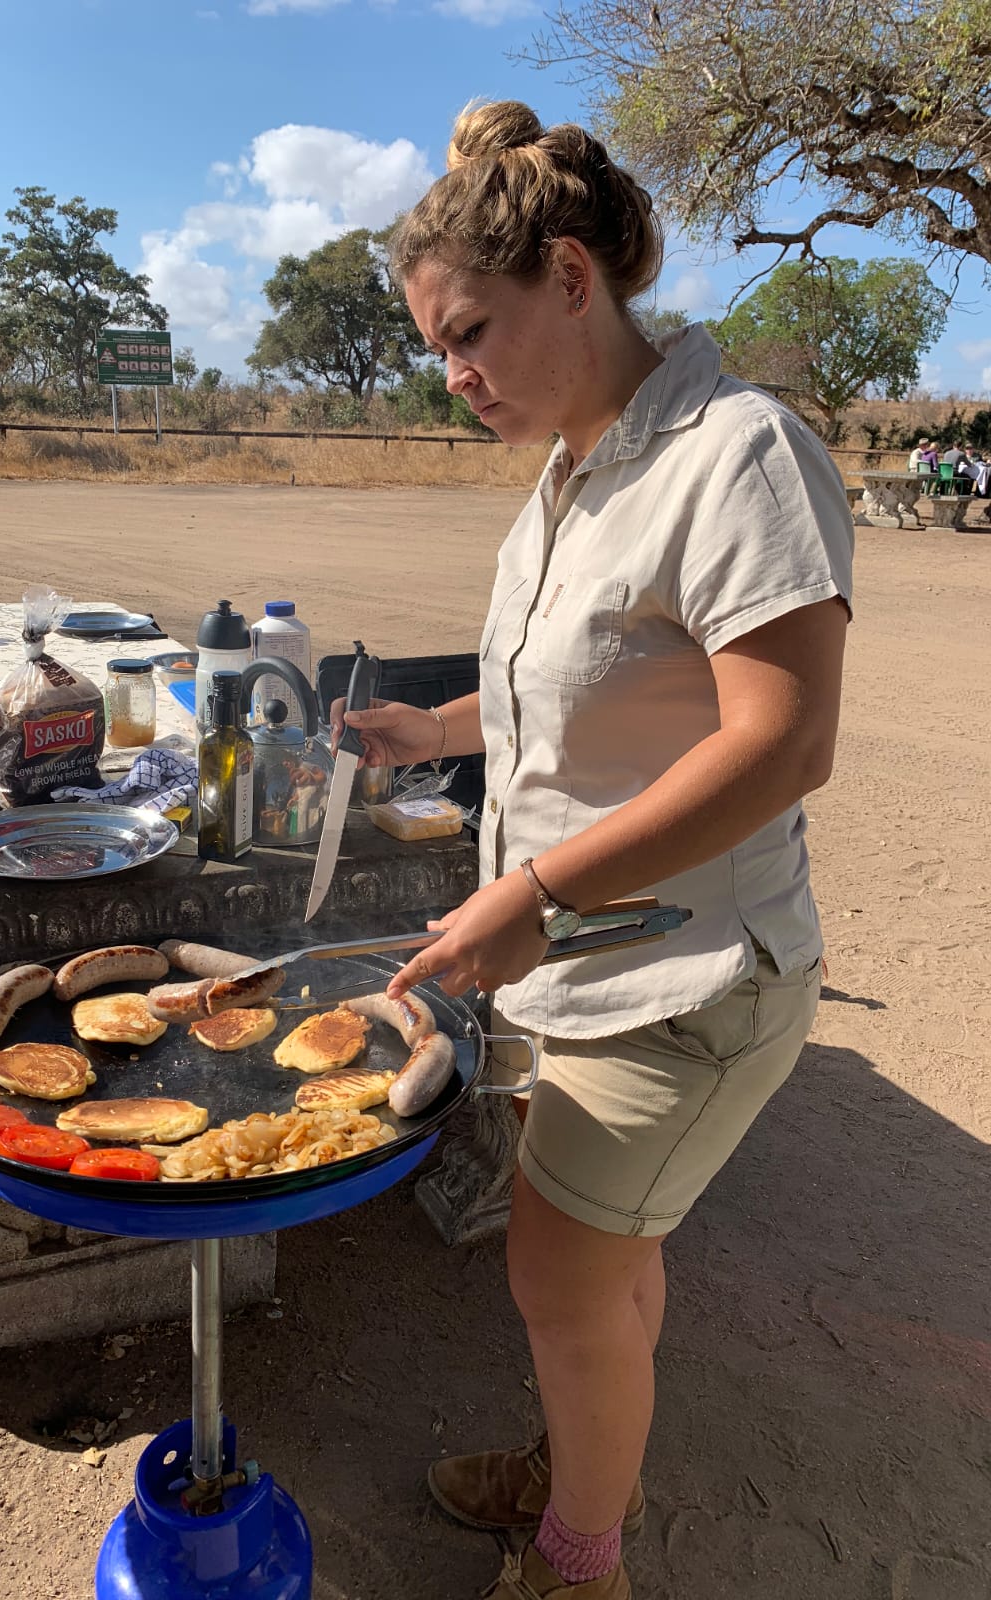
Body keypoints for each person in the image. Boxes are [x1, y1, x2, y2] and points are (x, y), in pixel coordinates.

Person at [333, 100, 852, 1600]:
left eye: (471, 331)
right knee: (611, 1267)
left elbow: (784, 738)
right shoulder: (572, 473)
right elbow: (575, 700)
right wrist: (431, 739)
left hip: (687, 979)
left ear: (572, 277)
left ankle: (581, 1559)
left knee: (555, 1276)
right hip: (593, 962)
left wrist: (535, 891)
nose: (454, 376)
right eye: (438, 345)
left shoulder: (735, 454)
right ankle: (585, 1462)